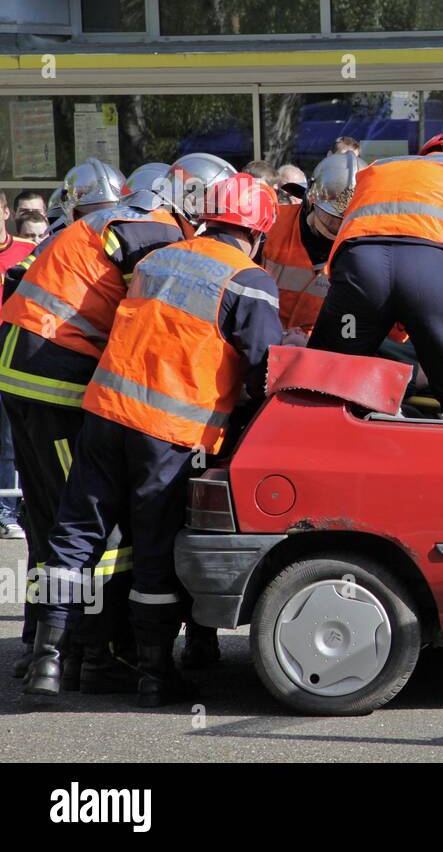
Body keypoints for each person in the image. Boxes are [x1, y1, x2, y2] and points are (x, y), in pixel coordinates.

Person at [24, 174, 283, 704]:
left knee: (71, 540)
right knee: (152, 552)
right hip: (169, 435)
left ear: (207, 217)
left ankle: (47, 661)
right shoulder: (250, 280)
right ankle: (154, 673)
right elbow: (264, 372)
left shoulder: (158, 259)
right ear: (257, 233)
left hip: (104, 415)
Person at [1, 157, 214, 683]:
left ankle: (41, 648)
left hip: (25, 367)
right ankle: (92, 654)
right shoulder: (154, 231)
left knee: (48, 518)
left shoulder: (110, 223)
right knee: (96, 523)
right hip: (57, 376)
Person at [308, 130, 443, 422]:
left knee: (325, 378)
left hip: (361, 267)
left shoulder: (382, 167)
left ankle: (304, 450)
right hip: (435, 273)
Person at [263, 152, 360, 339]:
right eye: (332, 219)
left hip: (321, 352)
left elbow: (354, 323)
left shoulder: (360, 248)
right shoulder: (273, 222)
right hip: (267, 341)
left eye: (346, 220)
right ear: (310, 200)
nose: (338, 227)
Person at [0, 192, 38, 540]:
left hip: (13, 356)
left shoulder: (27, 251)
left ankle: (9, 511)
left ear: (7, 212)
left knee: (11, 440)